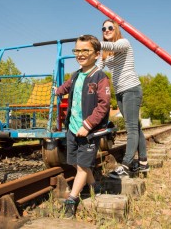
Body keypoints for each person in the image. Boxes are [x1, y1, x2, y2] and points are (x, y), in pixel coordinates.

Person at [54, 35, 111, 218]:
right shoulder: (76, 75)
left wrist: (88, 125)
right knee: (79, 163)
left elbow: (103, 105)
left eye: (85, 50)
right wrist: (57, 91)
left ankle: (72, 199)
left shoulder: (99, 77)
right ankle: (94, 186)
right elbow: (67, 87)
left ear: (96, 54)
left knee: (81, 167)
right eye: (77, 50)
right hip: (73, 127)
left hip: (89, 131)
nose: (80, 54)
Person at [96, 19, 149, 178]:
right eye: (103, 28)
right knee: (136, 128)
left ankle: (126, 165)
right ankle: (144, 163)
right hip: (119, 92)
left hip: (131, 89)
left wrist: (93, 43)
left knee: (131, 128)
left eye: (110, 27)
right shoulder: (105, 52)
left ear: (116, 29)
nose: (106, 30)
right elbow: (98, 68)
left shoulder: (123, 43)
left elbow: (113, 46)